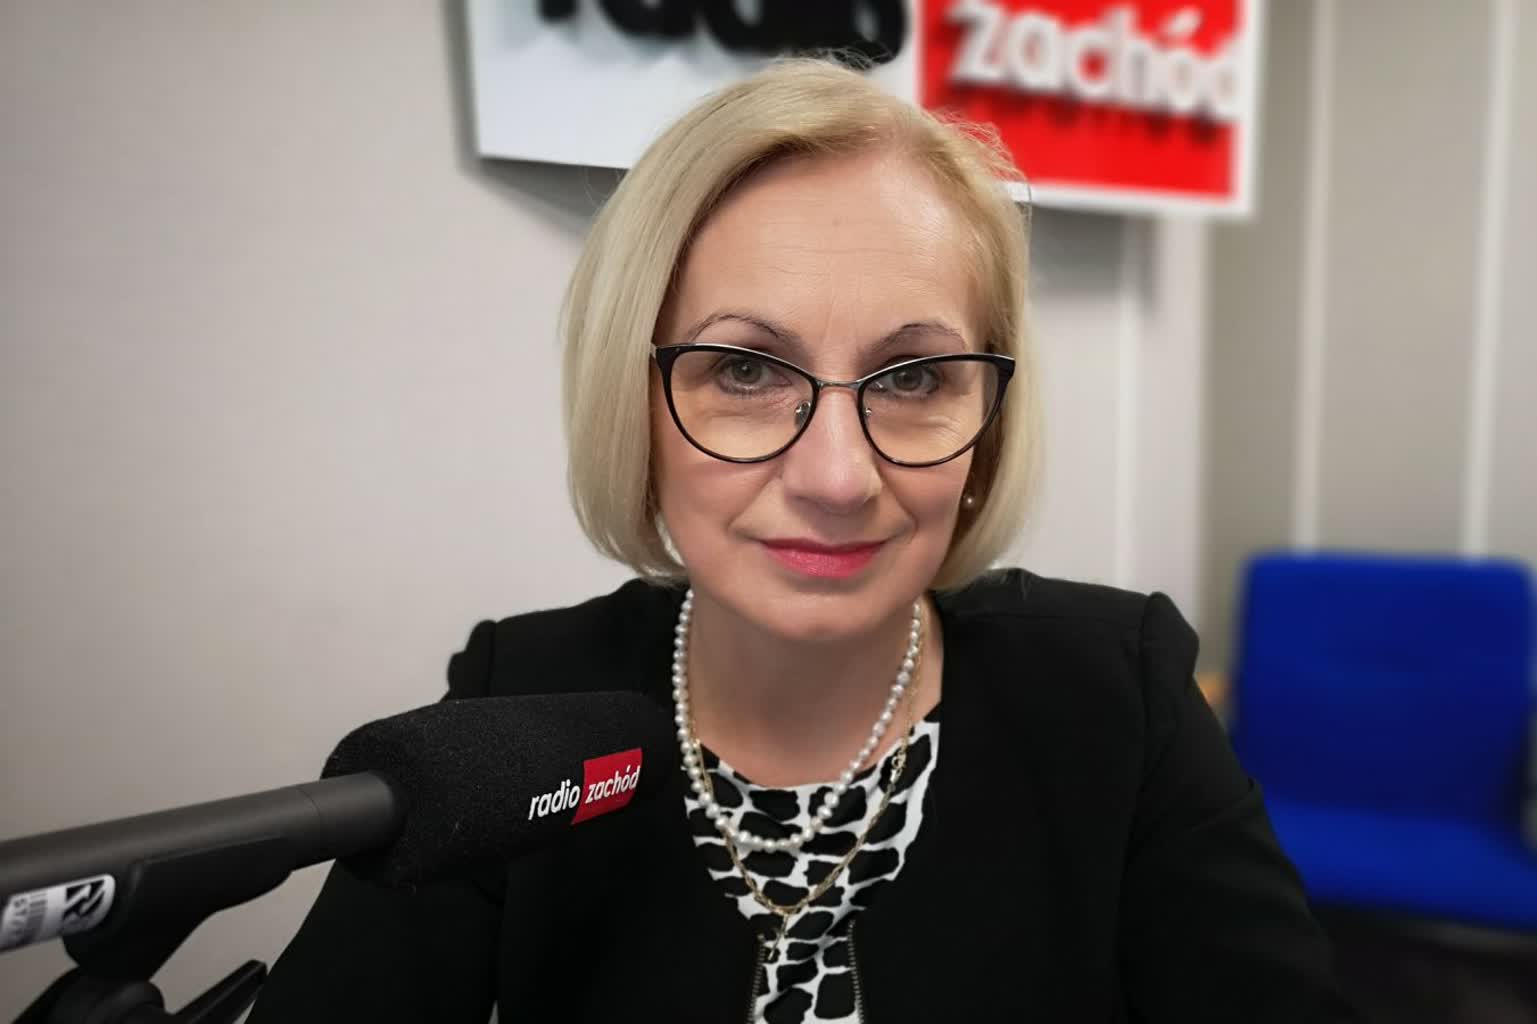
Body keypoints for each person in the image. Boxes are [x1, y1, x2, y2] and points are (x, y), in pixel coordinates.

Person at [249, 57, 1357, 1023]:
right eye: (744, 369)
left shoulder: (1116, 695)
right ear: (633, 401)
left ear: (989, 416)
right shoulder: (516, 704)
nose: (837, 477)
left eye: (914, 377)